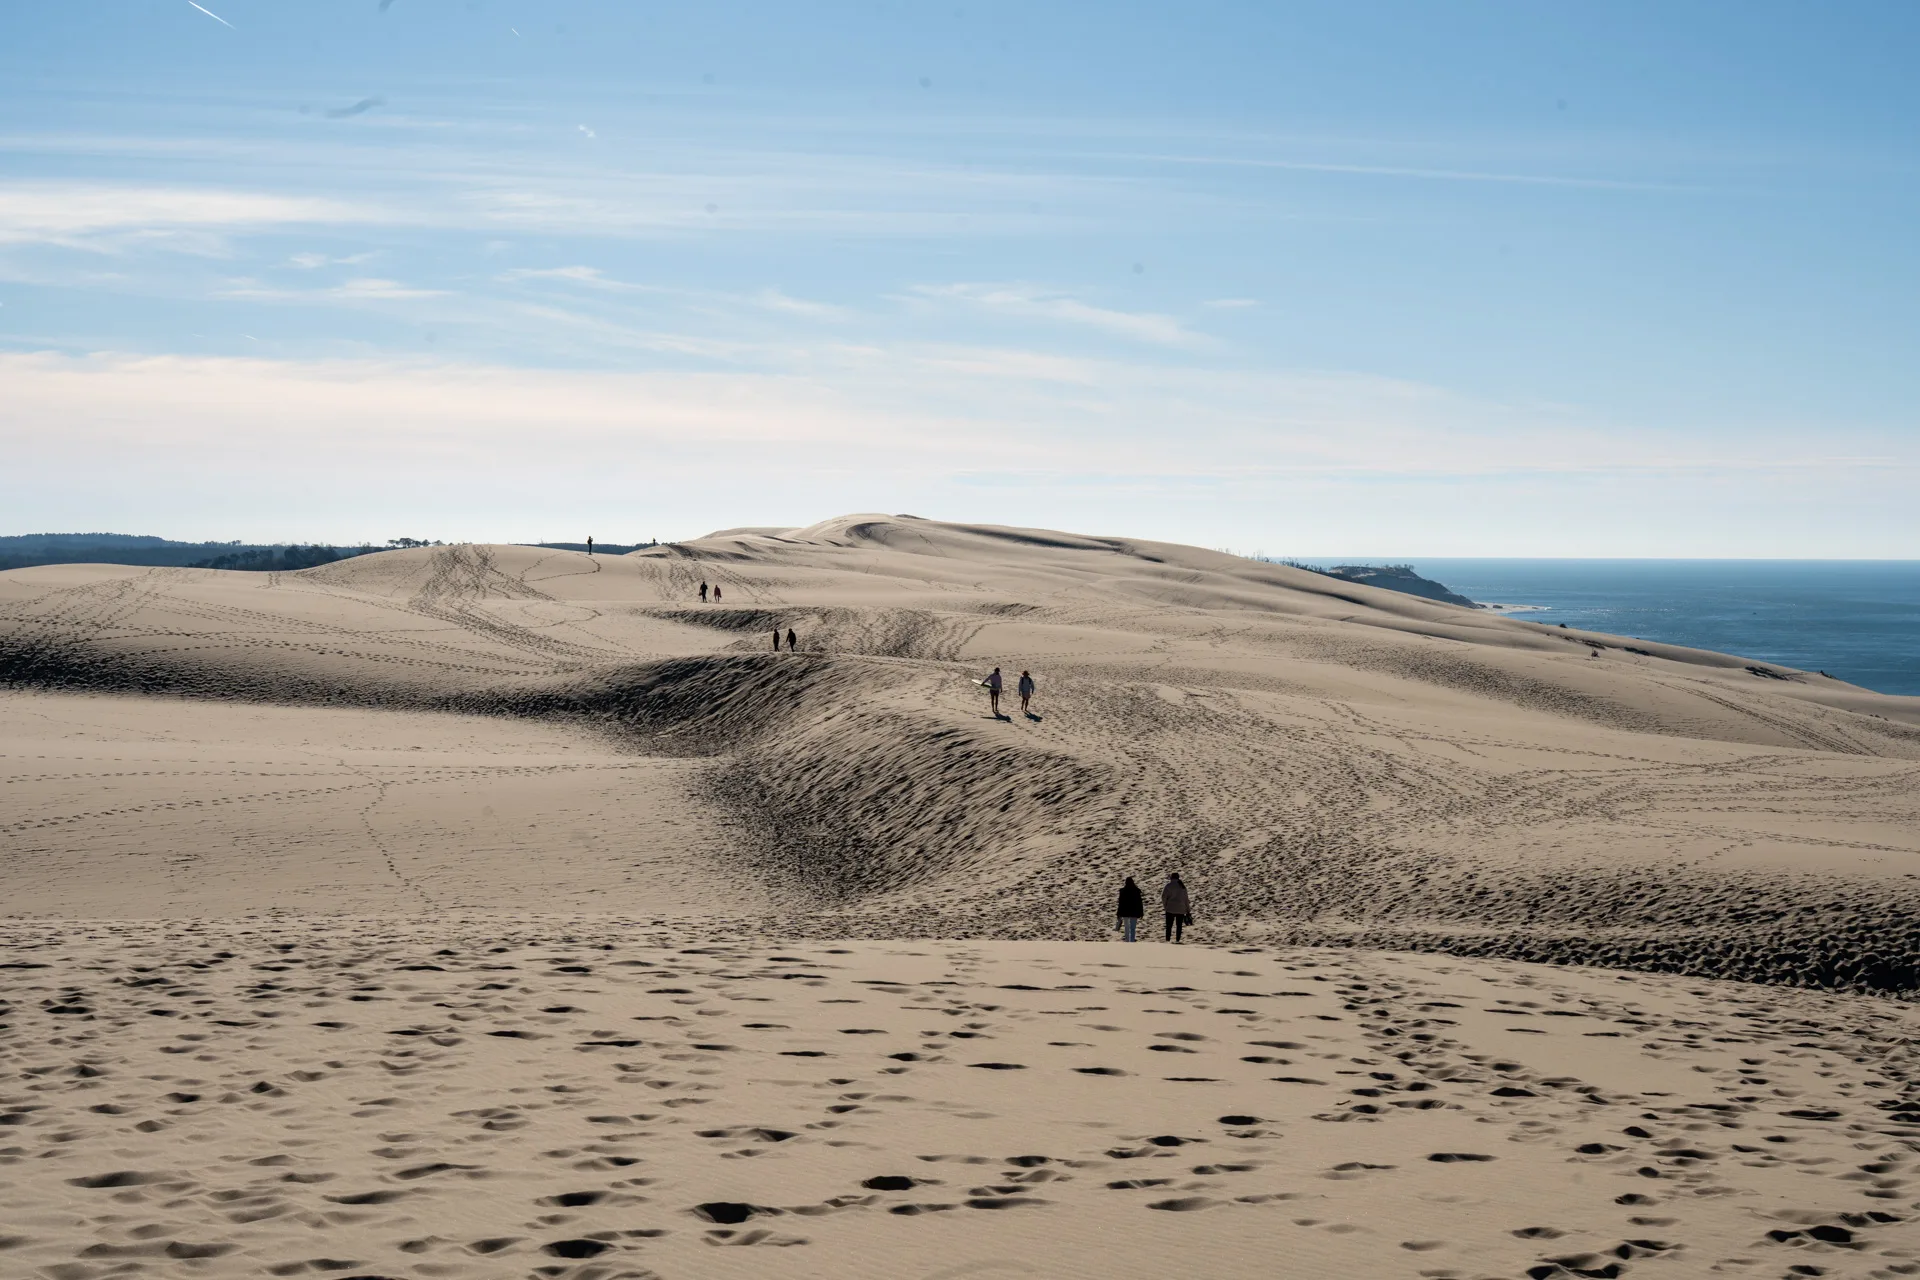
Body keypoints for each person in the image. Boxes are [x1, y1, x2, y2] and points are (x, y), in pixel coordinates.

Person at [1162, 872, 1191, 943]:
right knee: (1179, 926)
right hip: (1181, 909)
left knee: (1169, 926)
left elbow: (1163, 897)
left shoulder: (1168, 886)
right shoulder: (1182, 886)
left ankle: (1167, 939)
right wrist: (1188, 910)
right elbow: (1186, 899)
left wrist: (1165, 906)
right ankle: (1177, 940)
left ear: (1171, 878)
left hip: (1170, 908)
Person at [1116, 875, 1144, 942]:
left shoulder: (1123, 891)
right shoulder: (1136, 891)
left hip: (1125, 911)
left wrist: (1118, 913)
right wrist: (1141, 912)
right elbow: (1140, 903)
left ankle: (1127, 940)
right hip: (1134, 911)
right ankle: (1132, 941)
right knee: (1133, 928)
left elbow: (1120, 903)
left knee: (1127, 927)